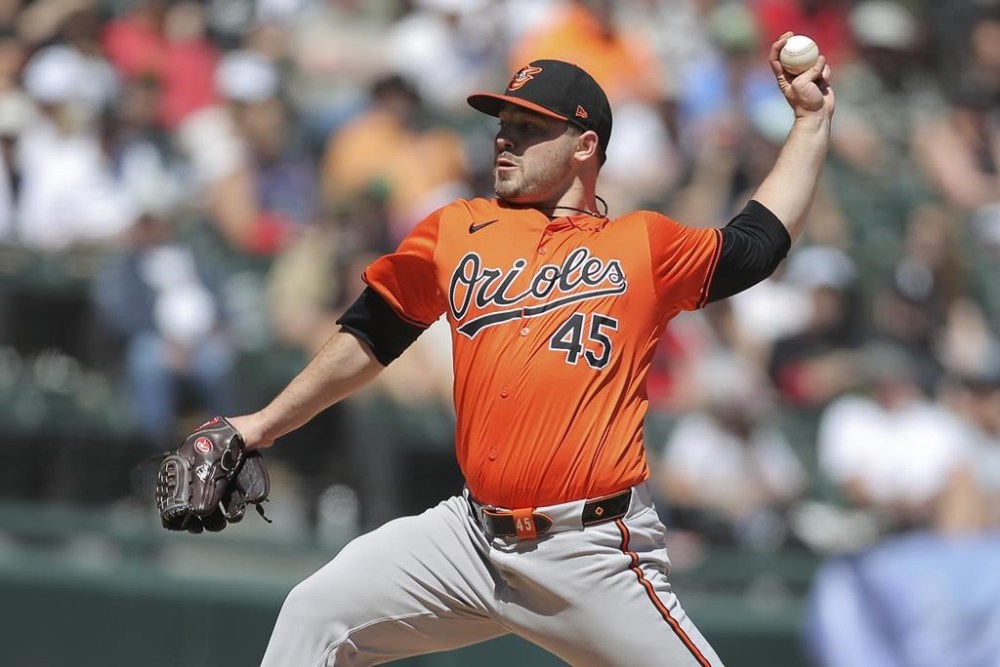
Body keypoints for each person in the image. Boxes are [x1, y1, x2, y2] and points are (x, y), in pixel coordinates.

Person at [210, 33, 833, 666]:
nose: (504, 137)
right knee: (315, 613)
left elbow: (758, 243)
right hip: (470, 538)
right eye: (502, 124)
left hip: (590, 550)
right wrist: (259, 426)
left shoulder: (641, 244)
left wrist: (810, 121)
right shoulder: (458, 227)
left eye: (530, 126)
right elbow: (371, 334)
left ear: (585, 146)